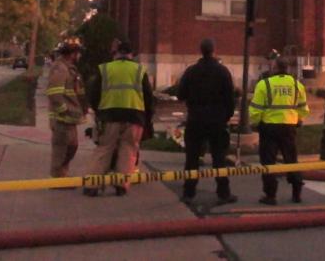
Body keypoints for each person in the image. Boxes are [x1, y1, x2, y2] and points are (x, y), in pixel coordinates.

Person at [168, 38, 237, 205]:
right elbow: (230, 97)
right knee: (219, 158)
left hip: (196, 119)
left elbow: (180, 94)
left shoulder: (191, 71)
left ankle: (189, 192)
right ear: (214, 51)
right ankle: (223, 193)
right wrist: (226, 116)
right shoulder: (222, 71)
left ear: (201, 51)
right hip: (217, 120)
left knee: (192, 158)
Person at [83, 41, 154, 197]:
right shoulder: (139, 70)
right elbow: (148, 98)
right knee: (128, 150)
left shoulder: (105, 69)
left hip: (109, 116)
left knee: (104, 148)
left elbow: (94, 95)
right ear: (131, 54)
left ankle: (92, 185)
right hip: (134, 117)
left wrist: (98, 111)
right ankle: (121, 185)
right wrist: (148, 118)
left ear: (115, 54)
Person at [249, 56, 310, 205]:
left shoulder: (264, 84)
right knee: (292, 160)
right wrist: (298, 119)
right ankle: (297, 193)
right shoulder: (297, 85)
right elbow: (303, 109)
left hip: (269, 128)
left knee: (269, 162)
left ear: (275, 68)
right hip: (289, 127)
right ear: (287, 68)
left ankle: (270, 195)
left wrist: (255, 123)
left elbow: (256, 109)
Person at [46, 42, 87, 178]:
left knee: (72, 146)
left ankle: (63, 174)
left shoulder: (69, 68)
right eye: (78, 53)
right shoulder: (60, 68)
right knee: (61, 149)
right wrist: (63, 110)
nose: (79, 56)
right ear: (72, 54)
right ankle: (58, 178)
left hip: (70, 117)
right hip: (61, 118)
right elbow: (54, 93)